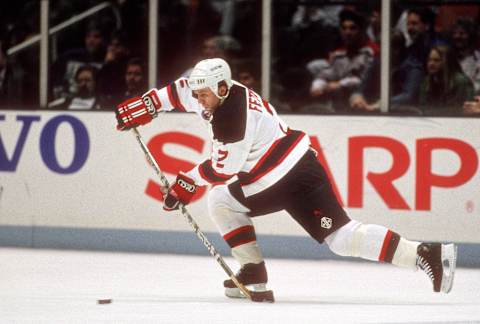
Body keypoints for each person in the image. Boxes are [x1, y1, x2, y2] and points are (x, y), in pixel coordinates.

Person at [115, 58, 457, 302]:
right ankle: (426, 255)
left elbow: (222, 170)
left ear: (221, 87)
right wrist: (147, 106)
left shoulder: (231, 118)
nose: (199, 100)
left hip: (283, 179)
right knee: (337, 236)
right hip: (293, 169)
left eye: (204, 95)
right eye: (198, 93)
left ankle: (254, 272)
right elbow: (178, 92)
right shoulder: (213, 90)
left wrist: (185, 182)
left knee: (223, 198)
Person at [419, 45, 474, 115]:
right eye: (429, 60)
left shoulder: (462, 82)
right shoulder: (426, 82)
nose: (431, 63)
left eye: (436, 60)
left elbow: (467, 109)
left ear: (447, 62)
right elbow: (423, 108)